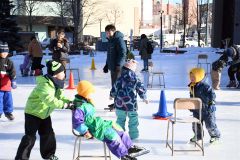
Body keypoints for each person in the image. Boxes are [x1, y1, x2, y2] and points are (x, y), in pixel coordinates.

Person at [72, 80, 149, 160]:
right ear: (85, 92)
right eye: (90, 92)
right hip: (94, 129)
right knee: (111, 134)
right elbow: (77, 123)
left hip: (98, 124)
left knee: (117, 127)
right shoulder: (80, 106)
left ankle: (130, 147)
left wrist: (89, 101)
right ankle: (123, 155)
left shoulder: (85, 102)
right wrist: (85, 132)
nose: (92, 94)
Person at [15, 60, 73, 160]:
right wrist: (65, 105)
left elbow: (61, 97)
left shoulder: (56, 84)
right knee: (30, 137)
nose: (64, 74)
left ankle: (49, 155)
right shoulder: (44, 85)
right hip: (32, 113)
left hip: (44, 114)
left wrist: (70, 102)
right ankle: (21, 158)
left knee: (48, 133)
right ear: (55, 74)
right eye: (63, 72)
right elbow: (50, 101)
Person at [110, 59, 148, 140]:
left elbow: (115, 88)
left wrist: (111, 95)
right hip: (131, 104)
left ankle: (120, 136)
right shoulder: (135, 78)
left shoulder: (120, 78)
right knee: (133, 120)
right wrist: (144, 97)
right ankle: (134, 136)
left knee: (120, 120)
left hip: (120, 103)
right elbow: (140, 88)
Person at [188, 68, 221, 143]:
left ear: (199, 77)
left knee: (210, 125)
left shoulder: (205, 86)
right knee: (196, 124)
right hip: (196, 110)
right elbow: (192, 96)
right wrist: (191, 105)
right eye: (190, 77)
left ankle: (215, 136)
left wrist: (212, 103)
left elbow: (212, 95)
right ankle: (198, 136)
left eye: (193, 77)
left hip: (207, 109)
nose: (191, 78)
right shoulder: (192, 86)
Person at [103, 24, 127, 110]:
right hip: (113, 67)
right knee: (115, 86)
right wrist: (107, 65)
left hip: (118, 68)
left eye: (109, 32)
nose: (108, 34)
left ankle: (119, 104)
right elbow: (110, 55)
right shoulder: (110, 41)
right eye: (106, 32)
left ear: (114, 31)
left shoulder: (119, 40)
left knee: (117, 86)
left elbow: (123, 53)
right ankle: (116, 103)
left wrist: (118, 65)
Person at [0, 41, 17, 120]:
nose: (4, 53)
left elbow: (12, 71)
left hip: (6, 85)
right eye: (2, 52)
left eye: (6, 52)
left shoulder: (9, 62)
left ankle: (8, 112)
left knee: (8, 100)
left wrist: (13, 80)